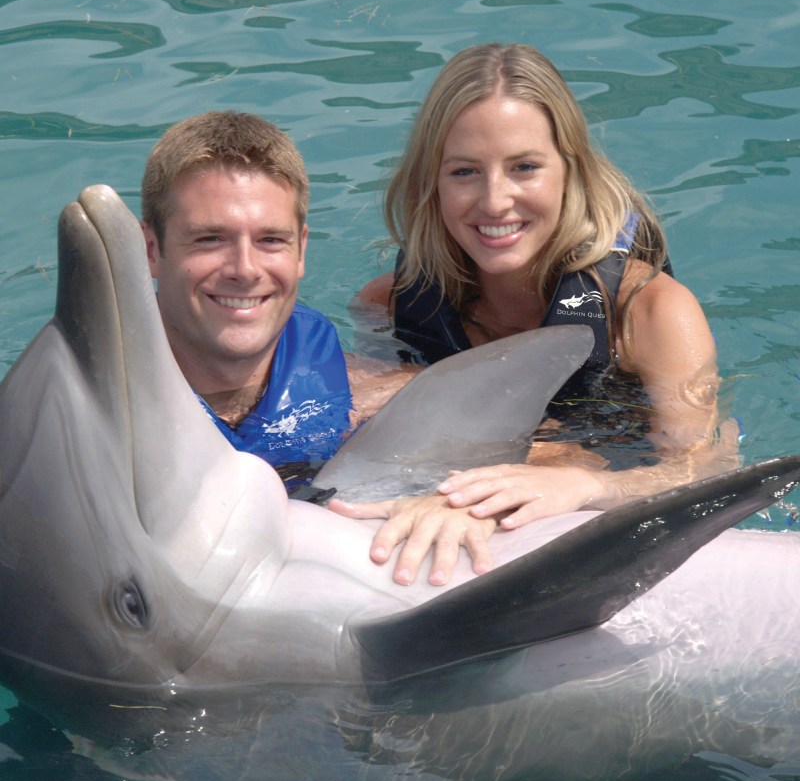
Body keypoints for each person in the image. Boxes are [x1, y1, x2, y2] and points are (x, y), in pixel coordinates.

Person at [328, 43, 739, 583]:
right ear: (431, 182)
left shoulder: (652, 313)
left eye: (525, 167)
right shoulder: (390, 305)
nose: (495, 201)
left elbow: (705, 466)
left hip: (602, 499)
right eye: (464, 172)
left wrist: (582, 485)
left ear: (572, 172)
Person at [141, 111, 415, 495]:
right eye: (209, 239)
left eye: (270, 240)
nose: (245, 269)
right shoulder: (99, 406)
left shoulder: (359, 393)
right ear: (152, 250)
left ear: (301, 249)